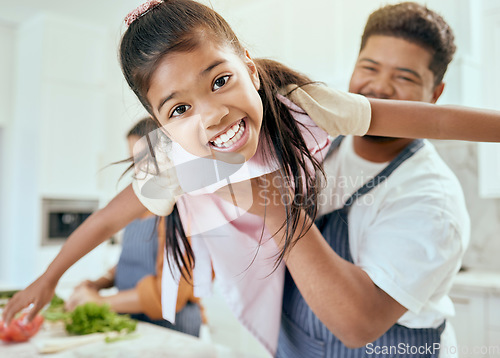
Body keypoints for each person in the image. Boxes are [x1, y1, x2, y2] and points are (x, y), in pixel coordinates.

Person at [3, 0, 500, 355]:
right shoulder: (178, 158)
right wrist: (49, 277)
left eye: (220, 80)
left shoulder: (310, 106)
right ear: (162, 123)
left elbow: (436, 121)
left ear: (249, 67)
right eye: (179, 109)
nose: (213, 115)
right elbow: (116, 213)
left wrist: (273, 204)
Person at [275, 2, 468, 357]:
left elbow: (358, 325)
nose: (379, 87)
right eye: (369, 67)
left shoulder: (431, 198)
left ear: (435, 95)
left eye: (404, 77)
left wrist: (277, 213)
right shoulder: (319, 143)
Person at [65, 118, 203, 337]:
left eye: (142, 159)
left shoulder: (182, 214)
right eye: (132, 161)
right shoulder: (137, 209)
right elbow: (133, 261)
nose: (137, 170)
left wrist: (100, 302)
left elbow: (169, 293)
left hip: (172, 329)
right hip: (134, 323)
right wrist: (99, 284)